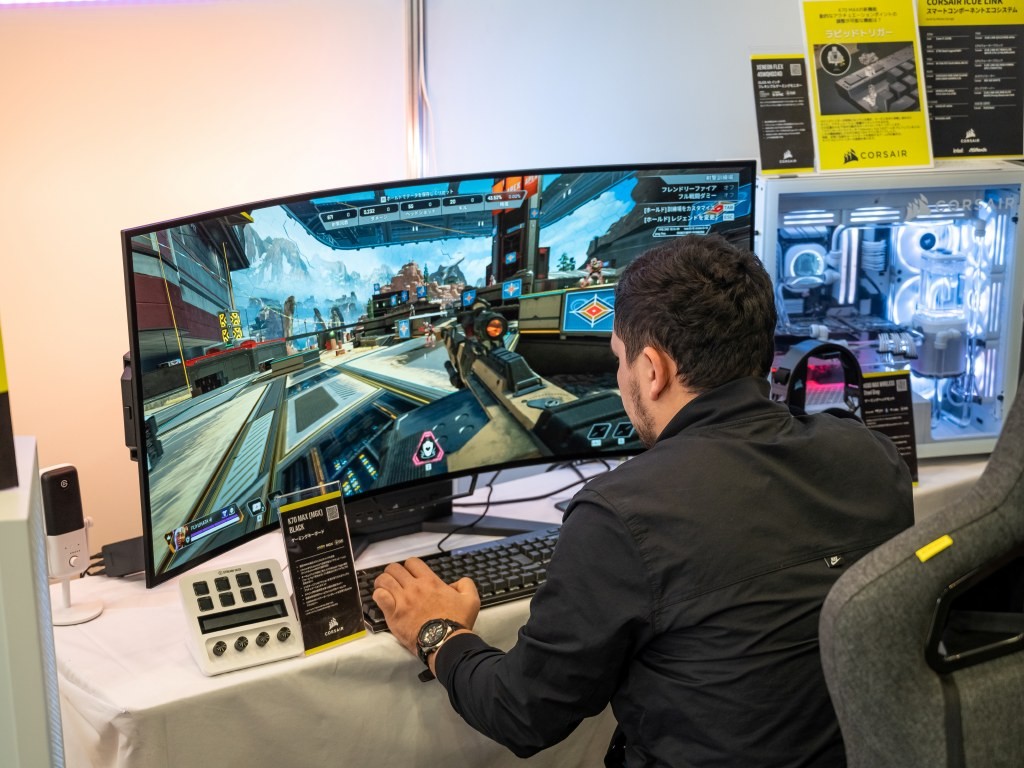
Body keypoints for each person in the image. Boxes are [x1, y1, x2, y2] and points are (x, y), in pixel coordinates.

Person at [372, 234, 914, 767]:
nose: (620, 374)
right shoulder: (871, 455)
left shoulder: (622, 514)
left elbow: (522, 713)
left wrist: (438, 632)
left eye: (620, 359)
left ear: (653, 370)